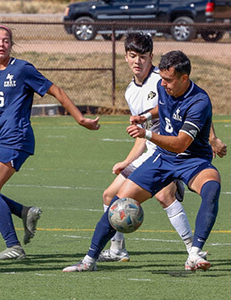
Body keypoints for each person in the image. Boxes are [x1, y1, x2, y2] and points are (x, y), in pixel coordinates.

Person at [63, 50, 222, 272]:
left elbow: (180, 144)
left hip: (192, 159)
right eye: (162, 79)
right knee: (117, 202)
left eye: (168, 80)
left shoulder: (199, 101)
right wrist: (146, 116)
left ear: (184, 78)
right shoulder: (162, 86)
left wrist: (146, 133)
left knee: (212, 187)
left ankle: (194, 253)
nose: (163, 84)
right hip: (163, 159)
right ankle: (89, 261)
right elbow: (164, 106)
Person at [0, 24, 100, 261]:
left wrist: (79, 118)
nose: (1, 44)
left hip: (17, 137)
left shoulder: (22, 69)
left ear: (11, 44)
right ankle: (23, 212)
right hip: (1, 139)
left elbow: (55, 90)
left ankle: (14, 246)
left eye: (6, 40)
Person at [97, 33, 227, 262]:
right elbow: (151, 122)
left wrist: (212, 138)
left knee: (164, 195)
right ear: (126, 57)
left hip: (170, 150)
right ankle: (117, 249)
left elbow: (196, 109)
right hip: (152, 147)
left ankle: (192, 250)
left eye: (143, 57)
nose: (137, 62)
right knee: (110, 195)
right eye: (132, 56)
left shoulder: (163, 77)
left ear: (151, 57)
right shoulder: (130, 91)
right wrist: (129, 158)